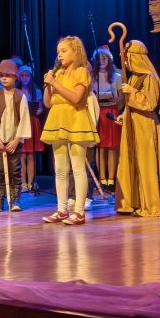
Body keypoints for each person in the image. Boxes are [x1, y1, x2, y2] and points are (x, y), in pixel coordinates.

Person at [41, 36, 99, 226]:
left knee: (78, 167)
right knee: (60, 169)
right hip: (57, 120)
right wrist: (49, 84)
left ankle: (79, 211)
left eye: (64, 51)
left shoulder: (81, 71)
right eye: (58, 52)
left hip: (75, 120)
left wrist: (55, 84)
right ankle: (61, 209)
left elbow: (76, 98)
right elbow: (47, 103)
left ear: (76, 52)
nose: (60, 55)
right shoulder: (58, 73)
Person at [114, 40, 160, 217]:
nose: (126, 63)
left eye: (128, 59)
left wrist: (132, 92)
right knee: (130, 160)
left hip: (144, 124)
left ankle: (150, 205)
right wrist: (124, 115)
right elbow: (131, 103)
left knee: (145, 162)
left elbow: (149, 104)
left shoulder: (149, 77)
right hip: (132, 123)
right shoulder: (133, 77)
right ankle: (130, 202)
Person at [0, 60, 31, 212]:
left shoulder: (20, 96)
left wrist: (16, 140)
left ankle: (15, 200)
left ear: (15, 77)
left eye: (7, 75)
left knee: (15, 169)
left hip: (14, 140)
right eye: (1, 75)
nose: (4, 78)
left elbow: (24, 119)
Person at [92, 46, 123, 190]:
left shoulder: (117, 77)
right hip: (98, 111)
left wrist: (113, 98)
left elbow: (121, 98)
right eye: (99, 58)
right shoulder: (92, 77)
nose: (101, 61)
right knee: (100, 147)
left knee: (111, 147)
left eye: (104, 58)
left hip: (111, 111)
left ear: (109, 59)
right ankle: (102, 179)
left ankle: (111, 179)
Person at [17, 65, 43, 190]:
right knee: (22, 155)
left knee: (31, 155)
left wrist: (39, 110)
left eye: (27, 76)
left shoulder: (36, 92)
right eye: (22, 76)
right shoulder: (17, 92)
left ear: (31, 76)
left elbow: (40, 107)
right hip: (22, 123)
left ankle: (31, 182)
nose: (25, 78)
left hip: (33, 122)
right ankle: (23, 182)